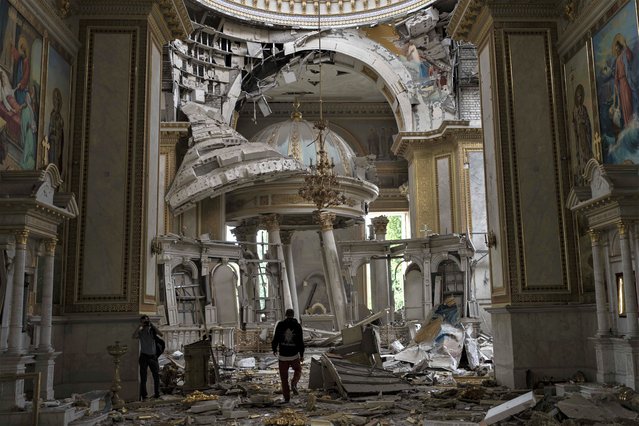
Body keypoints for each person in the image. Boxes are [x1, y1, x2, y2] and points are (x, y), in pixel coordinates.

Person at [271, 308, 304, 403]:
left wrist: (274, 348)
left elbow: (276, 337)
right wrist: (301, 354)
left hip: (283, 356)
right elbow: (300, 342)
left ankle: (287, 398)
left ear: (286, 315)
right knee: (298, 370)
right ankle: (294, 382)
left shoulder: (280, 325)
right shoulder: (297, 326)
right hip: (294, 355)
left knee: (284, 379)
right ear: (293, 315)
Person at [132, 315, 162, 401]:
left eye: (147, 321)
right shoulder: (141, 332)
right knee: (143, 377)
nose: (146, 322)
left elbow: (161, 334)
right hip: (144, 356)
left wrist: (152, 325)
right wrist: (139, 326)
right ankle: (144, 395)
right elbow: (133, 336)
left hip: (153, 356)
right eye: (144, 321)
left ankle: (157, 394)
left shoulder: (152, 331)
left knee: (156, 376)